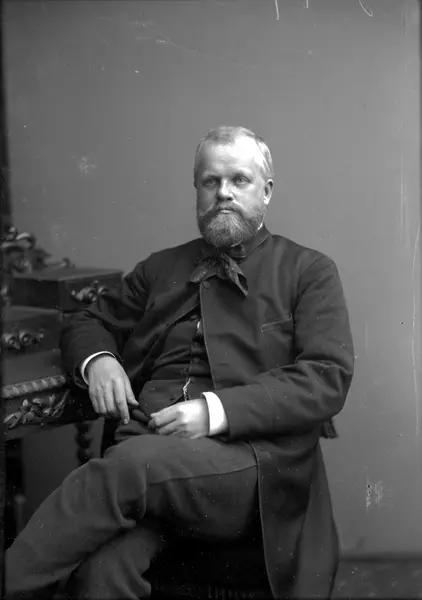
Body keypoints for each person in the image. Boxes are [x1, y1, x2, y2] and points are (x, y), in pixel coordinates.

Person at [6, 125, 354, 599]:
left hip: (249, 463)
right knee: (101, 574)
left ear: (267, 191)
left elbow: (326, 377)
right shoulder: (161, 268)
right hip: (151, 457)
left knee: (124, 467)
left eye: (239, 180)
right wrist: (99, 360)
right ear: (197, 190)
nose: (223, 193)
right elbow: (88, 321)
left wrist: (213, 411)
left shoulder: (308, 270)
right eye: (211, 181)